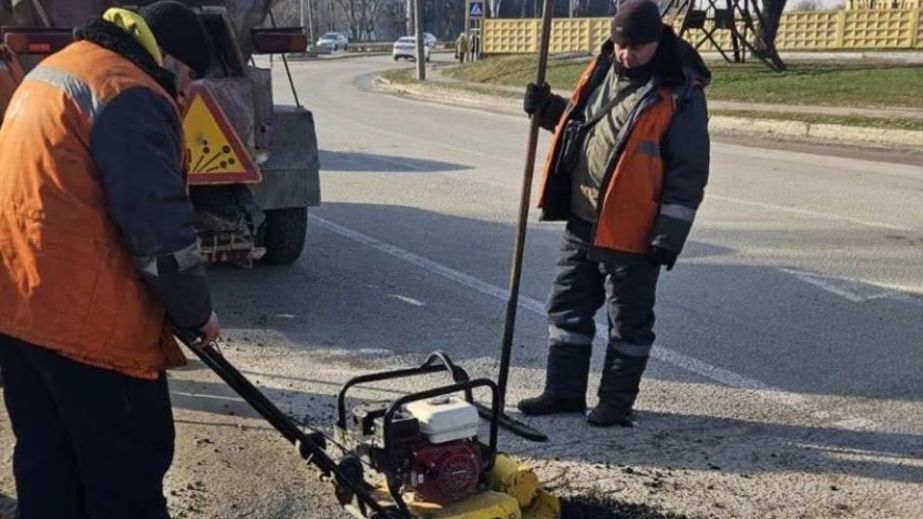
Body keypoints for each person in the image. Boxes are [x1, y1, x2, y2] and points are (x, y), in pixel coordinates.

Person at [0, 2, 218, 517]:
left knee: (49, 468)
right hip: (88, 332)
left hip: (19, 314)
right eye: (186, 76)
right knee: (125, 479)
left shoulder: (61, 68)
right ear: (165, 56)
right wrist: (195, 312)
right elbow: (158, 228)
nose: (185, 93)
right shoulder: (130, 92)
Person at [517, 0, 711, 427]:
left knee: (628, 323)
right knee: (566, 309)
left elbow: (689, 172)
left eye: (637, 47)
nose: (627, 55)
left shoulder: (679, 92)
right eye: (621, 46)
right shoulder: (603, 67)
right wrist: (548, 108)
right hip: (582, 221)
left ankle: (616, 403)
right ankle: (564, 392)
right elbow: (584, 125)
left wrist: (668, 236)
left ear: (657, 41)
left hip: (634, 231)